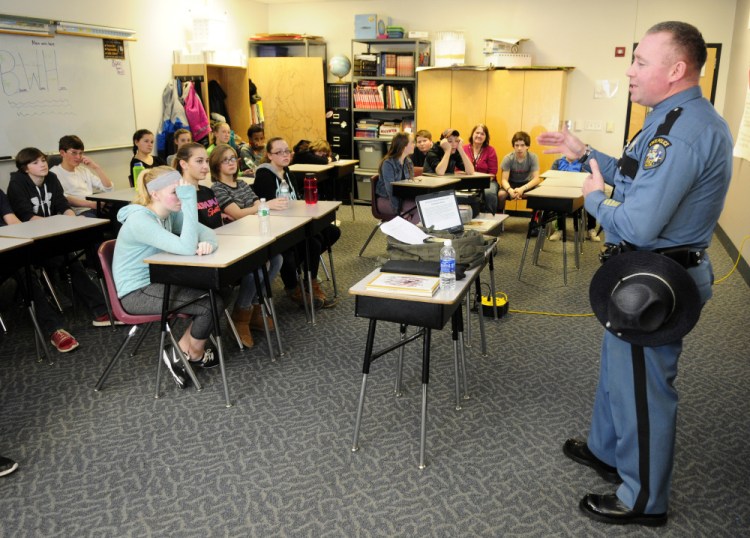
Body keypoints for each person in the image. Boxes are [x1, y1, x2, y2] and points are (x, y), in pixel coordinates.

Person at [537, 21, 732, 527]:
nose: (630, 69)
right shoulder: (670, 118)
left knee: (644, 393)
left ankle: (644, 499)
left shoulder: (685, 132)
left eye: (641, 61)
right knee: (617, 378)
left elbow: (641, 223)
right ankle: (606, 451)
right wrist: (585, 155)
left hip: (658, 280)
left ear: (676, 70)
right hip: (641, 274)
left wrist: (594, 200)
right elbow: (633, 172)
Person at [114, 166, 220, 388]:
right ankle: (195, 353)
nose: (181, 196)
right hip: (137, 292)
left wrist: (208, 244)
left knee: (220, 288)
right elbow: (187, 246)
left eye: (183, 191)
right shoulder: (140, 220)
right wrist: (190, 202)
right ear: (155, 194)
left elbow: (208, 232)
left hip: (161, 280)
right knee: (210, 305)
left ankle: (180, 350)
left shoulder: (169, 213)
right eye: (176, 192)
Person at [7, 148, 111, 328]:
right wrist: (58, 224)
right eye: (35, 162)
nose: (42, 165)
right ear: (25, 168)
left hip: (54, 236)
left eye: (43, 160)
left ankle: (102, 309)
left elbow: (62, 204)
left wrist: (71, 219)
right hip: (32, 241)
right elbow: (26, 216)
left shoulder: (52, 179)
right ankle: (96, 311)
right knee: (68, 260)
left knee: (75, 256)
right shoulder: (17, 184)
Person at [208, 144, 284, 347]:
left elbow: (256, 205)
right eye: (226, 160)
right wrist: (256, 207)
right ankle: (240, 315)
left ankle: (256, 307)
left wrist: (256, 207)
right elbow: (238, 213)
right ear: (216, 165)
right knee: (255, 271)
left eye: (233, 158)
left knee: (277, 259)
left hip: (252, 236)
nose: (232, 163)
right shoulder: (217, 188)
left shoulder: (241, 184)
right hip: (234, 241)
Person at [253, 137, 341, 309]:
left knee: (331, 232)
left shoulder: (288, 173)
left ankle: (307, 272)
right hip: (277, 226)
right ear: (269, 155)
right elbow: (270, 206)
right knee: (313, 242)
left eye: (287, 151)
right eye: (279, 152)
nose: (285, 155)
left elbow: (297, 200)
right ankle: (301, 286)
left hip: (296, 220)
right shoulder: (264, 176)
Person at [0, 188, 79, 352]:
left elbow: (12, 220)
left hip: (6, 251)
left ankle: (54, 328)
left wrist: (26, 239)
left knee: (25, 268)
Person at [50, 135, 114, 218]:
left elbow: (109, 188)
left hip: (93, 208)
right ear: (62, 153)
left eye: (81, 153)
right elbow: (63, 198)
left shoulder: (83, 170)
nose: (78, 157)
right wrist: (91, 204)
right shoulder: (53, 173)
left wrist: (96, 167)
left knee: (122, 210)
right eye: (74, 153)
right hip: (77, 213)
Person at [547, 155, 600, 242]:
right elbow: (551, 178)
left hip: (578, 194)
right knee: (559, 198)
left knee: (592, 199)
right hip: (561, 192)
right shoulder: (558, 162)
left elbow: (586, 180)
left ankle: (591, 229)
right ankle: (559, 230)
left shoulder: (583, 164)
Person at [172, 142, 223, 228]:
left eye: (207, 161)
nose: (206, 166)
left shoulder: (208, 191)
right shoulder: (178, 195)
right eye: (199, 161)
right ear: (184, 164)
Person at [375, 132, 420, 224]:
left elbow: (410, 184)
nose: (414, 145)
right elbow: (391, 191)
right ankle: (407, 234)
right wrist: (399, 211)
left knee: (423, 207)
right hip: (387, 200)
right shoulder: (388, 163)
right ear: (404, 146)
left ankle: (407, 234)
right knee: (419, 211)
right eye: (412, 142)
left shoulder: (408, 161)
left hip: (402, 199)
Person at [497, 131, 541, 214]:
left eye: (522, 145)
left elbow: (536, 179)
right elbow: (504, 180)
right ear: (513, 146)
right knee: (501, 195)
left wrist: (522, 189)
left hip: (527, 184)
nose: (519, 148)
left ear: (527, 146)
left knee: (539, 194)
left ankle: (535, 218)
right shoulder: (508, 158)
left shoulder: (533, 157)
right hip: (511, 184)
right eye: (517, 145)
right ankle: (499, 215)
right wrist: (510, 191)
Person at [463, 124, 499, 214]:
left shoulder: (490, 150)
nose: (479, 136)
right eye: (477, 133)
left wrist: (479, 183)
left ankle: (491, 217)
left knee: (489, 193)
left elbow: (493, 173)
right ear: (472, 134)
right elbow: (456, 170)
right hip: (466, 181)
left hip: (487, 182)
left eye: (482, 134)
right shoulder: (463, 149)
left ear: (486, 137)